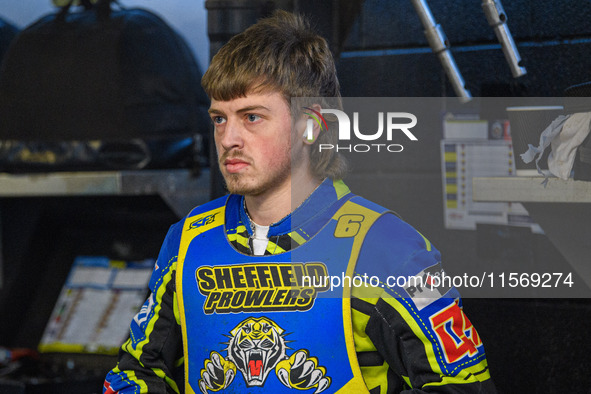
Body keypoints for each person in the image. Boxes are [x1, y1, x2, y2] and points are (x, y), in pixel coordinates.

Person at [104, 10, 496, 394]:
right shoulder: (187, 241)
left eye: (252, 117)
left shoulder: (389, 249)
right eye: (220, 118)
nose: (227, 139)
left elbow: (463, 387)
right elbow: (136, 372)